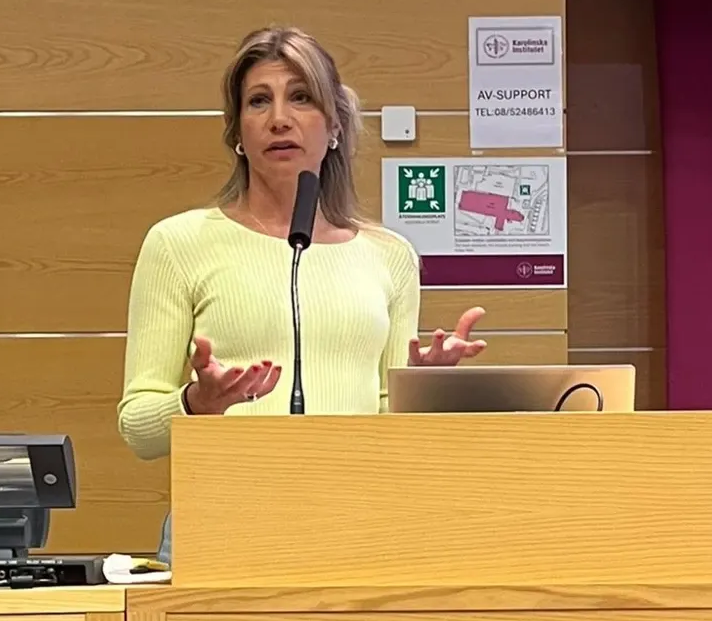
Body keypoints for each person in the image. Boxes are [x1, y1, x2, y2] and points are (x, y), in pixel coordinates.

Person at [118, 25, 486, 470]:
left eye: (301, 97)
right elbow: (138, 426)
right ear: (237, 133)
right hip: (228, 503)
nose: (279, 119)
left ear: (334, 126)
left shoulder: (390, 255)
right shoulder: (178, 243)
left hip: (353, 502)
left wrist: (424, 393)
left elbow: (388, 422)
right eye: (258, 101)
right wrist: (197, 402)